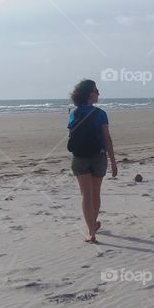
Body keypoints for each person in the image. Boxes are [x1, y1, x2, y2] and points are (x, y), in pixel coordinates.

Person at [67, 79, 117, 243]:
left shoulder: (73, 114)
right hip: (98, 156)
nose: (98, 93)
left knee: (85, 194)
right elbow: (107, 139)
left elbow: (72, 136)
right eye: (96, 90)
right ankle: (93, 226)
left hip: (79, 156)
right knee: (95, 192)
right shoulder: (100, 114)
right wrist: (113, 161)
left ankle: (91, 231)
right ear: (90, 94)